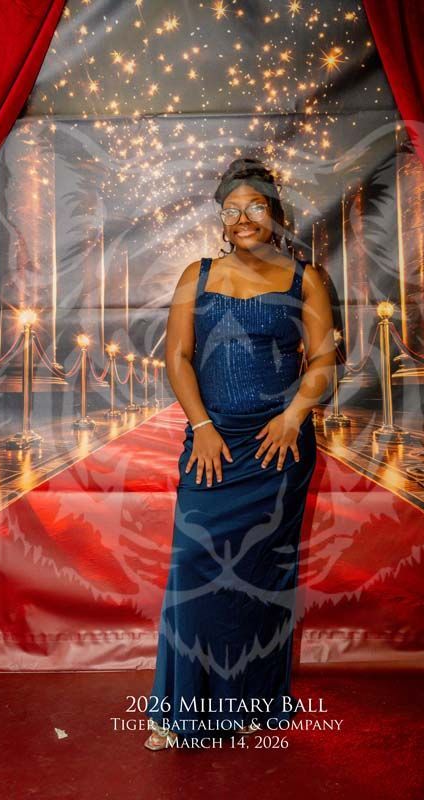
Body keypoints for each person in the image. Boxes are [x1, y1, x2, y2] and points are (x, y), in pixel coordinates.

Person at [144, 157, 335, 750]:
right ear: (222, 222)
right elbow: (177, 358)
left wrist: (294, 415)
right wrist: (200, 424)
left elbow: (325, 361)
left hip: (278, 445)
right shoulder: (195, 275)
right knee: (194, 572)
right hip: (212, 441)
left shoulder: (306, 278)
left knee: (263, 574)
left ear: (275, 216)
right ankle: (178, 716)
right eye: (232, 210)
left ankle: (251, 705)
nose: (243, 217)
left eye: (255, 207)